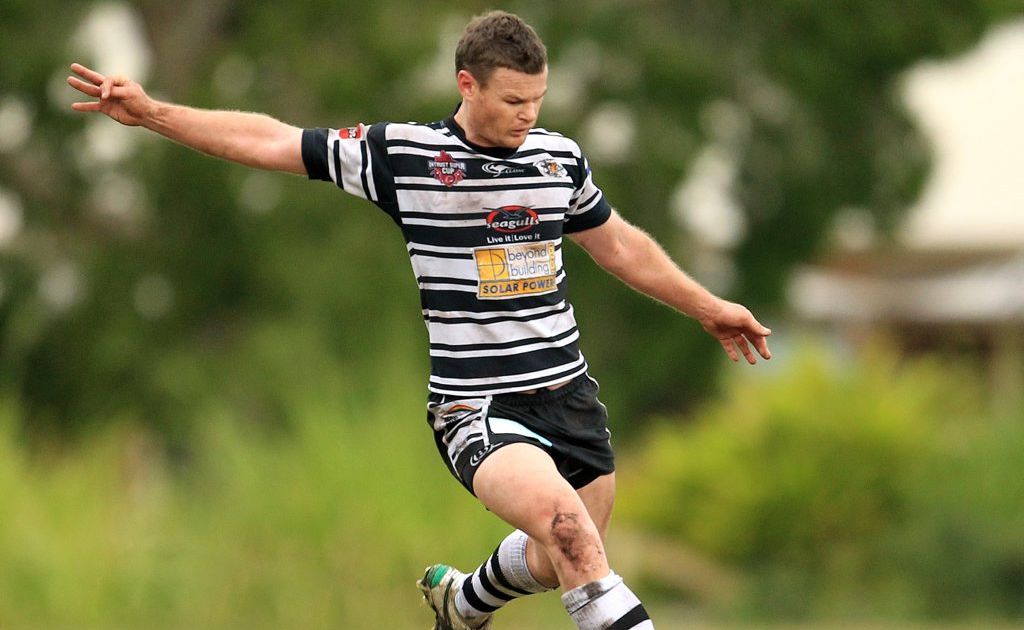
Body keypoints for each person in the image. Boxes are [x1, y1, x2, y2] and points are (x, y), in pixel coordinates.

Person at [68, 10, 771, 630]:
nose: (528, 115)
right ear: (467, 85)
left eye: (538, 99)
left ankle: (463, 603)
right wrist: (155, 112)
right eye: (512, 100)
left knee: (564, 559)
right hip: (477, 406)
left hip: (570, 398)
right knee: (572, 534)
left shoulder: (558, 159)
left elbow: (618, 245)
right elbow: (272, 140)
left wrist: (708, 306)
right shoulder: (406, 156)